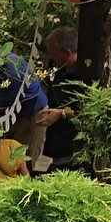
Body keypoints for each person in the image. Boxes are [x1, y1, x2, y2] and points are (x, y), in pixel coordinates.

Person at [40, 26, 91, 164]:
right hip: (56, 143)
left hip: (73, 145)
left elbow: (86, 113)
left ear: (67, 52)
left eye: (53, 53)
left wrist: (61, 114)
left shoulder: (85, 75)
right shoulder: (61, 70)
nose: (51, 57)